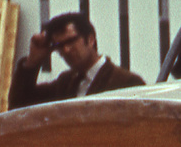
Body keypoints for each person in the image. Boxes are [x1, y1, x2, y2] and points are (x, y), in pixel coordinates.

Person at [9, 12, 145, 108]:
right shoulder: (65, 83)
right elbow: (19, 105)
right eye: (59, 46)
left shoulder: (126, 82)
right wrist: (32, 62)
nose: (66, 50)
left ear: (91, 39)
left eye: (71, 41)